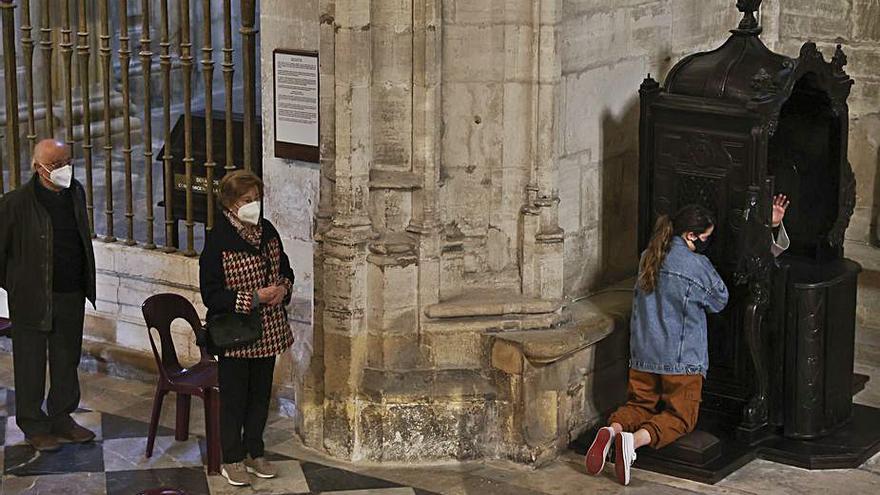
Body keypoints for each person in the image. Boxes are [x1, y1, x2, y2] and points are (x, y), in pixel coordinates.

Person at [585, 205, 727, 486]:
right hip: (682, 360)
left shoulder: (648, 256)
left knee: (639, 404)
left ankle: (612, 430)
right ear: (691, 235)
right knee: (681, 417)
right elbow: (719, 299)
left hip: (643, 355)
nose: (705, 243)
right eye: (705, 237)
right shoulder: (696, 266)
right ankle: (632, 442)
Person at [199, 170, 295, 487]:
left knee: (259, 396)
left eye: (256, 199)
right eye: (247, 200)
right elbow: (212, 295)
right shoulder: (219, 242)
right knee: (234, 399)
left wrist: (283, 288)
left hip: (268, 330)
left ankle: (255, 450)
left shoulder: (267, 231)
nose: (254, 205)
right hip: (237, 334)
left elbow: (285, 268)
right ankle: (232, 458)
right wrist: (252, 298)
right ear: (230, 204)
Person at [0, 139, 97, 452]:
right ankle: (33, 424)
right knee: (30, 362)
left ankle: (62, 417)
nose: (63, 169)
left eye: (67, 161)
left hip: (71, 292)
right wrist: (16, 285)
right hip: (31, 297)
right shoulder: (15, 203)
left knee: (66, 358)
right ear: (37, 167)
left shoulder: (75, 192)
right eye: (56, 164)